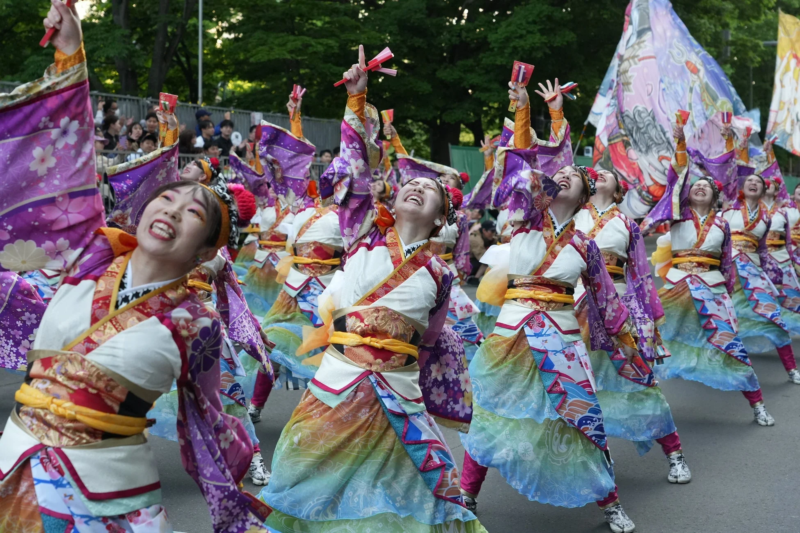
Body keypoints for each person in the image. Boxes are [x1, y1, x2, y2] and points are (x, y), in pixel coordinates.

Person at [0, 4, 270, 530]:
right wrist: (70, 53)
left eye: (195, 212)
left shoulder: (199, 323)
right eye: (168, 200)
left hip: (111, 489)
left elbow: (213, 415)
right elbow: (69, 157)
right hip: (17, 461)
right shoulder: (89, 253)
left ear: (204, 252)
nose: (172, 210)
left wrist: (238, 503)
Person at [257, 45, 486, 533]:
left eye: (432, 191)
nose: (417, 187)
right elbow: (356, 173)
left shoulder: (441, 276)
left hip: (399, 393)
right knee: (302, 478)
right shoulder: (361, 232)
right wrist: (357, 103)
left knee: (417, 498)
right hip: (338, 378)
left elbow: (429, 343)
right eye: (411, 183)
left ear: (442, 217)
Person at [459, 79, 637, 533]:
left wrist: (629, 343)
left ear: (583, 196)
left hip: (561, 334)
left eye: (573, 178)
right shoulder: (524, 220)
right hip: (512, 329)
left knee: (583, 413)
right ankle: (466, 494)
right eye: (557, 177)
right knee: (492, 412)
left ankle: (610, 502)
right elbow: (527, 168)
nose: (562, 179)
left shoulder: (586, 245)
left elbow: (607, 302)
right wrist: (529, 112)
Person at [642, 119, 775, 426]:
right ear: (686, 196)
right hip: (676, 289)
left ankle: (757, 405)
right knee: (653, 344)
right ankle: (646, 405)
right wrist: (679, 143)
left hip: (713, 289)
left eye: (707, 187)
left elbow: (728, 264)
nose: (700, 187)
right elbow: (677, 176)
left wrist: (727, 296)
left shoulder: (723, 224)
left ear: (717, 199)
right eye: (696, 186)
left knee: (731, 346)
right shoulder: (677, 217)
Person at [574, 167, 690, 482]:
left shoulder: (627, 225)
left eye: (606, 174)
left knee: (640, 383)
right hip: (571, 308)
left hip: (616, 310)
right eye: (593, 174)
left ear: (618, 189)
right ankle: (588, 461)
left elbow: (640, 276)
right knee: (571, 387)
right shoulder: (570, 216)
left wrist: (647, 321)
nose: (597, 175)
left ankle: (675, 454)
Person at [721, 167, 800, 382]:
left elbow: (764, 252)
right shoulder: (728, 210)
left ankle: (792, 369)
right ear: (741, 187)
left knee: (775, 319)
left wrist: (773, 278)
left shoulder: (770, 217)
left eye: (758, 181)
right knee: (719, 323)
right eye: (749, 181)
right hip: (728, 274)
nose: (753, 183)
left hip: (754, 273)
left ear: (765, 189)